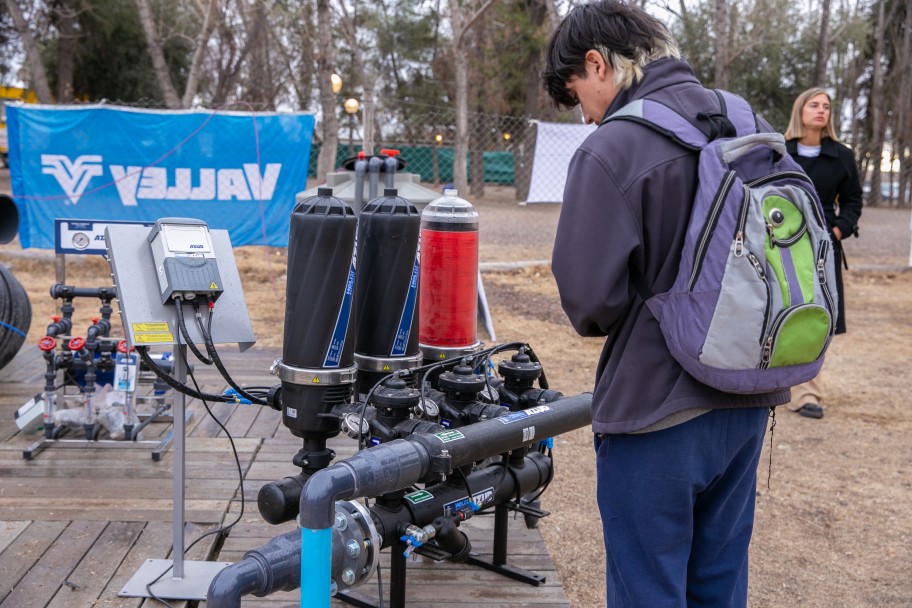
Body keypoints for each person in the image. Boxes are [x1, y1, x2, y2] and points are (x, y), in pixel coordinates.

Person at [540, 2, 789, 606]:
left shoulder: (614, 148)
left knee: (647, 588)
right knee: (718, 584)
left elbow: (590, 302)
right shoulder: (741, 117)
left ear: (597, 65)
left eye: (578, 96)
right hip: (747, 393)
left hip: (658, 406)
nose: (586, 115)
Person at [784, 87, 863, 419]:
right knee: (776, 311)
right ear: (800, 110)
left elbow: (853, 201)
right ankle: (772, 386)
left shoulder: (842, 155)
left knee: (817, 316)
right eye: (814, 105)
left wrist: (837, 229)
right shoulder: (779, 152)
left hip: (823, 246)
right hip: (782, 245)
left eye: (826, 106)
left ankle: (807, 393)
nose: (821, 111)